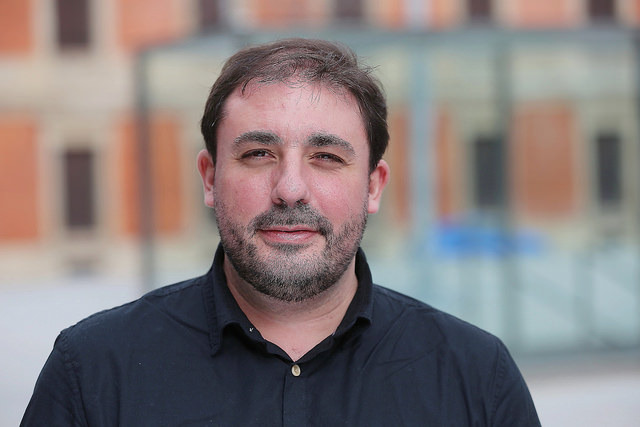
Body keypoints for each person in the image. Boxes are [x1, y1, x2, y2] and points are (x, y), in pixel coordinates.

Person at [22, 38, 540, 426]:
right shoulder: (92, 370)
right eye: (258, 154)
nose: (290, 189)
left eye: (326, 157)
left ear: (373, 185)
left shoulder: (477, 377)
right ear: (210, 178)